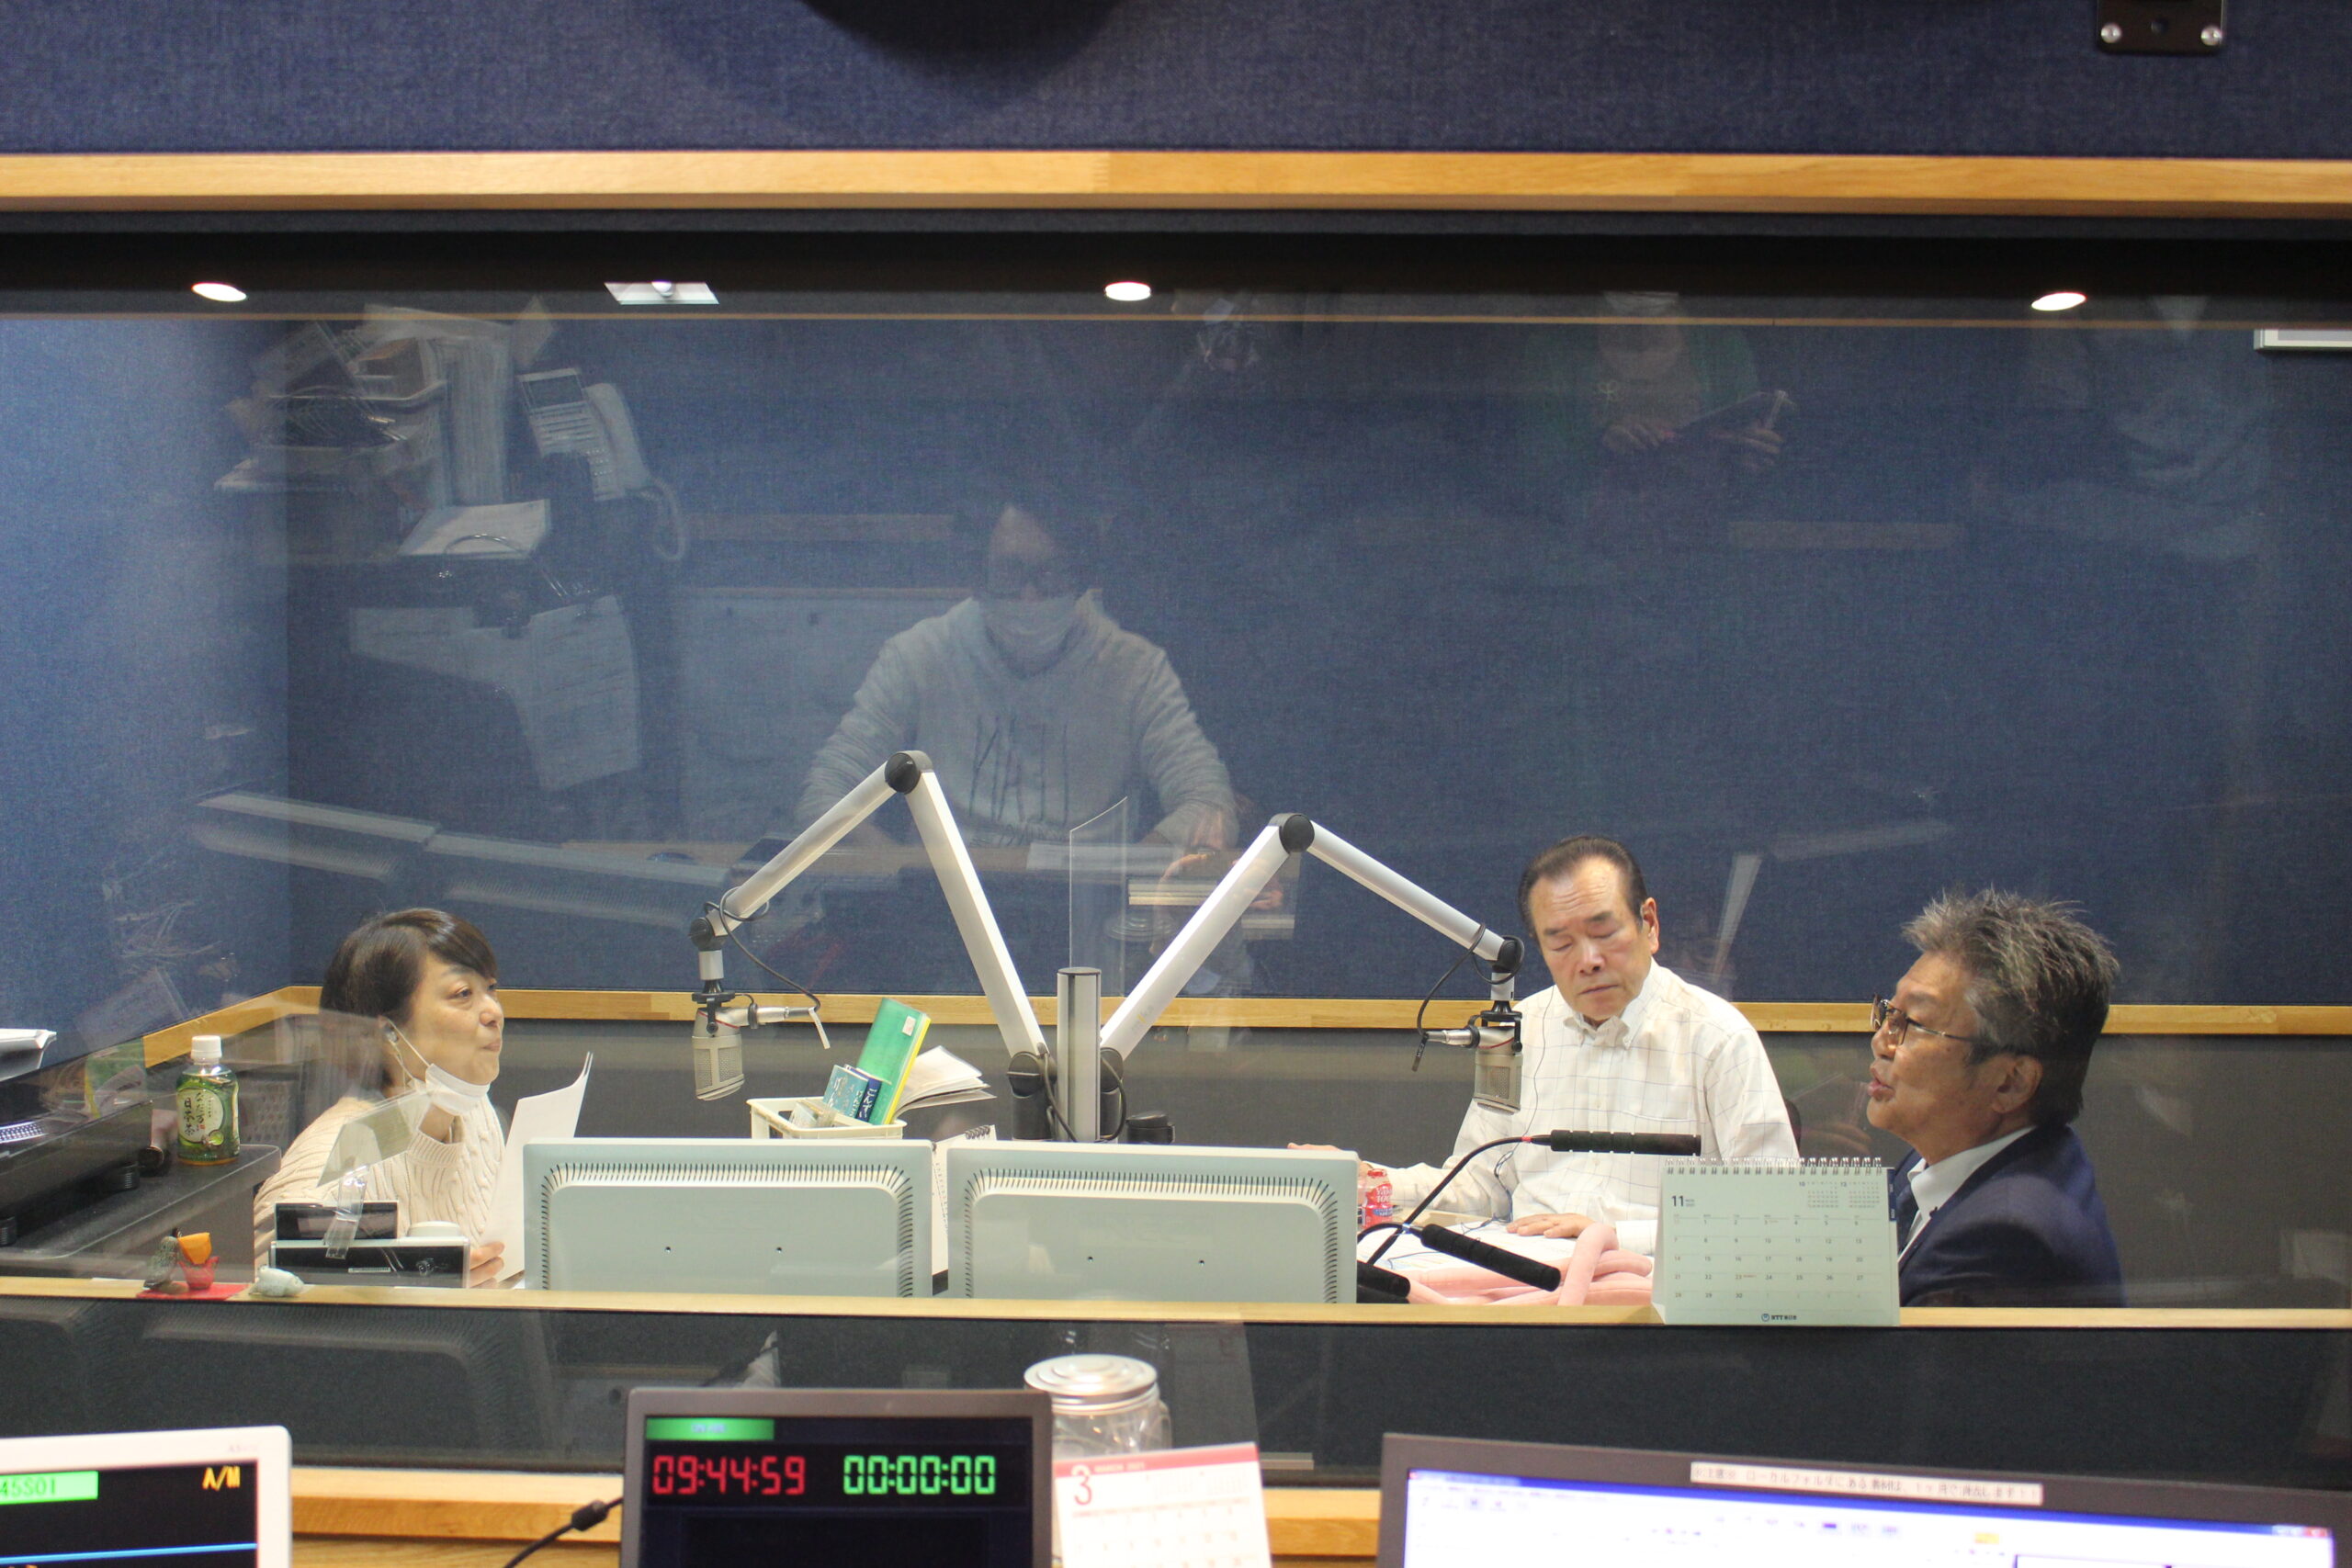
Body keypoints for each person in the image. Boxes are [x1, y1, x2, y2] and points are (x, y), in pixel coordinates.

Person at [1306, 835, 1795, 1254]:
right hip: (1524, 1285)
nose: (1588, 960)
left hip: (1650, 1292)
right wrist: (1370, 1180)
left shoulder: (1718, 1038)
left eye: (1604, 932)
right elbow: (1480, 1184)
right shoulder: (1517, 1030)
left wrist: (1612, 1238)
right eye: (1561, 944)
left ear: (1649, 924)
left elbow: (1774, 1210)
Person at [792, 498, 1238, 852]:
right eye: (1010, 573)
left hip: (1091, 912)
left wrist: (1125, 879)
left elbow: (1209, 802)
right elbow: (825, 799)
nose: (1030, 596)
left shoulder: (1135, 668)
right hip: (940, 905)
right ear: (977, 572)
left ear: (1081, 574)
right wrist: (910, 879)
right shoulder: (919, 655)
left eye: (1051, 574)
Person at [1868, 889, 2125, 1307]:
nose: (1882, 1041)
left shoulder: (2005, 1239)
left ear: (2010, 1083)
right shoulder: (1945, 1154)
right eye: (1889, 1014)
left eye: (1914, 1023)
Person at [252, 909, 508, 1286]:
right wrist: (421, 1296)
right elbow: (273, 1302)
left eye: (491, 989)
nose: (493, 1012)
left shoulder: (475, 1114)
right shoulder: (330, 1168)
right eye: (463, 994)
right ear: (388, 1033)